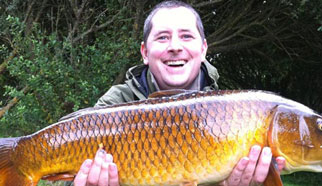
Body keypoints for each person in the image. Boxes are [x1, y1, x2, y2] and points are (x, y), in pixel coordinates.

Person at [73, 1, 285, 186]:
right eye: (163, 37)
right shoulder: (115, 103)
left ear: (203, 49)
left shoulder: (231, 111)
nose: (175, 46)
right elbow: (68, 177)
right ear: (145, 53)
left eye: (186, 36)